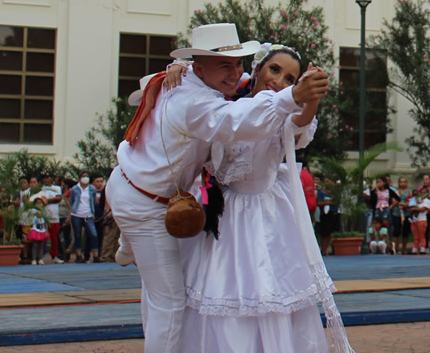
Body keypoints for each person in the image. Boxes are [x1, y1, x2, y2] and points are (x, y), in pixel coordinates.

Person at [106, 23, 328, 352]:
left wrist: (176, 67)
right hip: (150, 202)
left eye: (238, 63)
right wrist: (292, 95)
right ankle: (132, 241)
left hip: (148, 188)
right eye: (225, 64)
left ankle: (130, 244)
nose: (234, 71)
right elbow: (233, 120)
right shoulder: (201, 102)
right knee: (170, 300)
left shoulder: (208, 85)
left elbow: (293, 122)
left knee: (228, 292)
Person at [177, 43, 352, 353]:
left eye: (289, 79)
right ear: (256, 69)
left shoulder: (283, 114)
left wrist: (309, 98)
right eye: (274, 70)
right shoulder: (224, 103)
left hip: (266, 219)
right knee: (220, 294)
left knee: (268, 297)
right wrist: (180, 72)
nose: (278, 81)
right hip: (222, 216)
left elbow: (299, 124)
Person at [69, 171, 99, 263]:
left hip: (88, 214)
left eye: (87, 176)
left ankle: (95, 255)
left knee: (93, 235)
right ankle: (78, 255)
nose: (85, 178)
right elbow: (71, 201)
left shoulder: (92, 189)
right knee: (77, 235)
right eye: (83, 176)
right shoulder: (75, 189)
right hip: (77, 214)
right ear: (79, 178)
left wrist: (93, 213)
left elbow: (93, 201)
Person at [40, 173, 63, 264]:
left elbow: (58, 199)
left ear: (51, 178)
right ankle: (41, 256)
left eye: (47, 177)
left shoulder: (57, 188)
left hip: (54, 216)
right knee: (42, 237)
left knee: (54, 237)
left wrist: (47, 201)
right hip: (43, 216)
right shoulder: (41, 189)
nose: (45, 179)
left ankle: (55, 256)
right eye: (44, 178)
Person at [408, 188, 430, 254]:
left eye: (425, 192)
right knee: (415, 236)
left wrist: (414, 209)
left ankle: (422, 248)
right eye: (421, 192)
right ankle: (415, 248)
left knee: (421, 235)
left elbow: (423, 209)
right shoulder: (417, 200)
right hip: (414, 220)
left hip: (422, 219)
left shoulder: (427, 201)